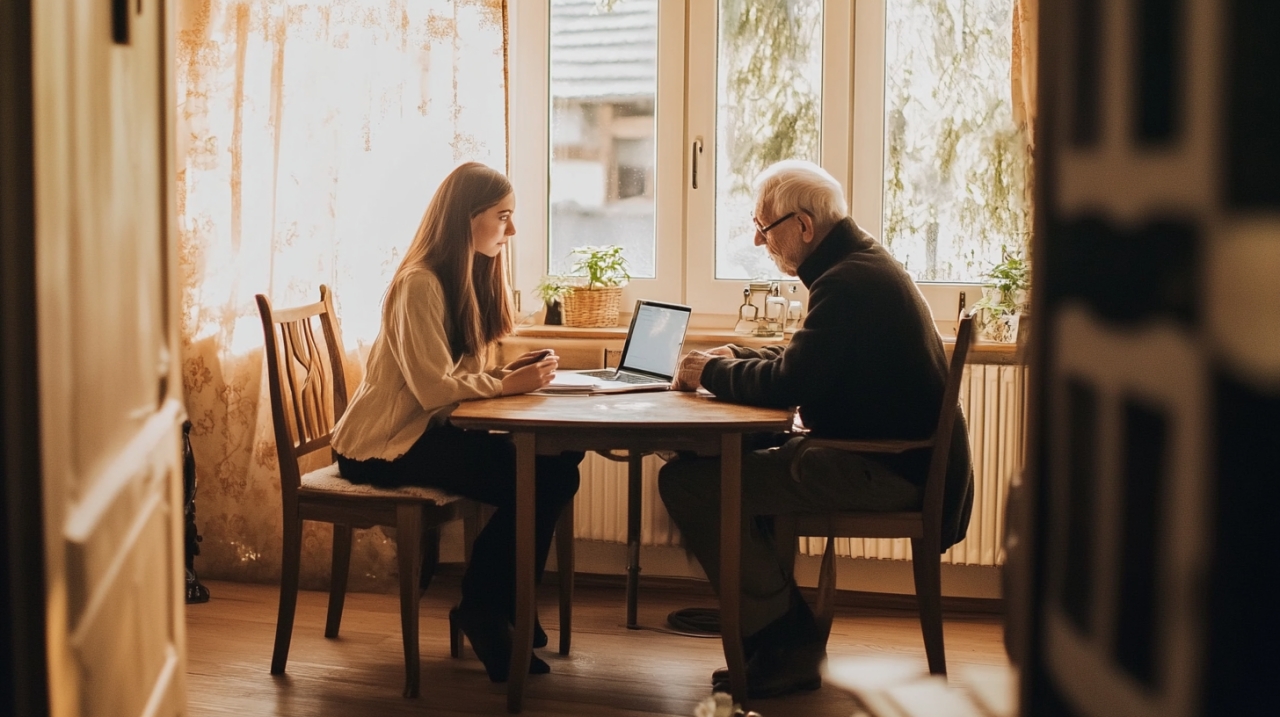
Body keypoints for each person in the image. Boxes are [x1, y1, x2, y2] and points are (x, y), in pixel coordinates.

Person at [659, 160, 974, 698]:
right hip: (893, 459)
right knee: (712, 472)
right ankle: (774, 640)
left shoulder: (847, 282)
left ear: (803, 226)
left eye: (765, 228)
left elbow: (789, 384)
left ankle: (785, 641)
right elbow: (808, 361)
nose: (760, 242)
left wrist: (708, 370)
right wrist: (735, 354)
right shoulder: (858, 265)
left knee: (691, 484)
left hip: (886, 469)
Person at [330, 162, 581, 682]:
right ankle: (487, 611)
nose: (511, 232)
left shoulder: (465, 276)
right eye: (503, 217)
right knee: (541, 477)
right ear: (466, 218)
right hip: (381, 444)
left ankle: (505, 605)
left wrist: (504, 375)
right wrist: (503, 386)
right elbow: (433, 388)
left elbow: (450, 375)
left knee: (558, 465)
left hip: (422, 431)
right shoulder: (418, 283)